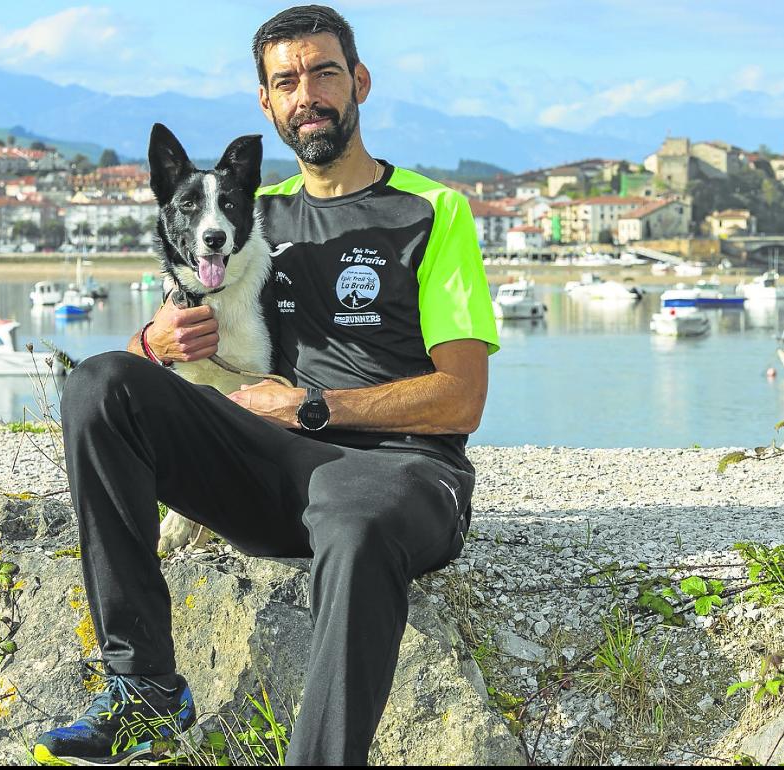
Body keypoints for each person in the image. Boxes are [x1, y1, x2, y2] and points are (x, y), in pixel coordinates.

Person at [32, 5, 498, 766]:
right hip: (272, 470)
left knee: (357, 524)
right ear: (266, 102)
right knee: (99, 383)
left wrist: (313, 405)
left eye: (324, 73)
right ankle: (144, 690)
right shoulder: (253, 215)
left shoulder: (431, 211)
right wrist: (153, 341)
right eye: (286, 80)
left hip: (402, 474)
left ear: (360, 83)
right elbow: (142, 380)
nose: (306, 93)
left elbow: (462, 397)